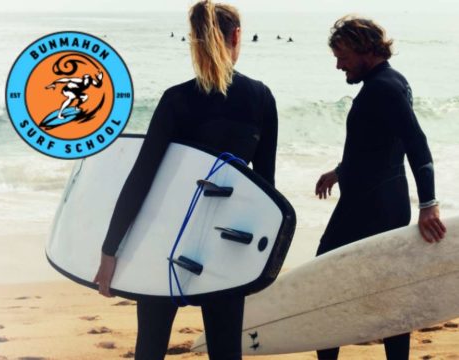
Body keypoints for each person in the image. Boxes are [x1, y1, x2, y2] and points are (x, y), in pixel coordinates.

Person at [93, 1, 278, 359]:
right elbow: (265, 190)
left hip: (165, 241)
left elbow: (141, 179)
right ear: (237, 36)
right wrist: (263, 261)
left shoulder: (175, 100)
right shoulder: (260, 98)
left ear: (193, 40)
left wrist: (109, 250)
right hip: (226, 245)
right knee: (225, 352)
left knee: (150, 347)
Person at [314, 16, 446, 360]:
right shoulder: (388, 83)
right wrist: (340, 171)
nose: (338, 64)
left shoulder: (383, 88)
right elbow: (377, 144)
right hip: (378, 199)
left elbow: (417, 144)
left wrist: (429, 203)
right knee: (386, 291)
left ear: (364, 49)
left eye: (342, 55)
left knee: (324, 283)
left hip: (371, 206)